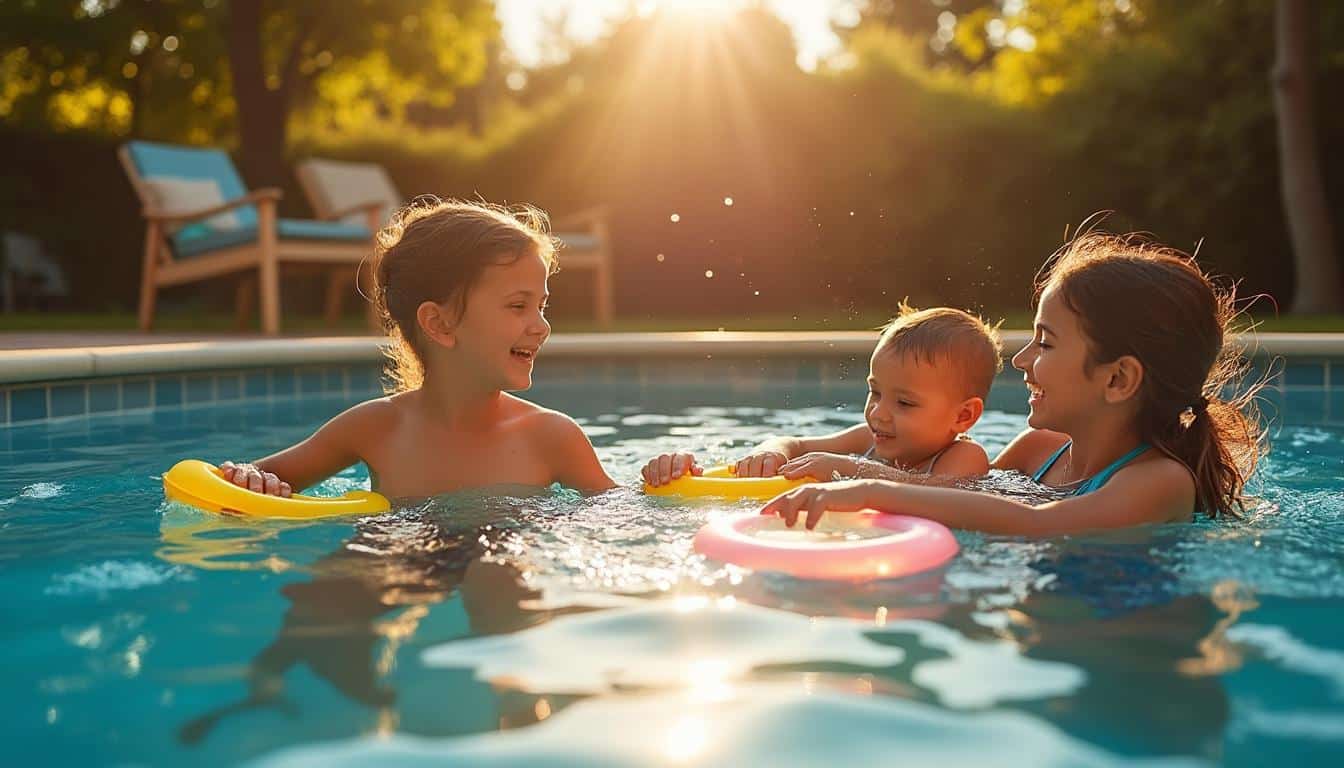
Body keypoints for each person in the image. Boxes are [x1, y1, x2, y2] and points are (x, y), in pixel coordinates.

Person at [762, 232, 1265, 534]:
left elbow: (1035, 525)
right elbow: (955, 497)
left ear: (1117, 379)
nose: (1021, 360)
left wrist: (869, 485)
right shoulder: (1037, 450)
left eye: (1045, 343)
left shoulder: (1159, 483)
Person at [221, 198, 616, 498]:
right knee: (328, 597)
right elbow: (241, 480)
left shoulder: (551, 437)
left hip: (499, 558)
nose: (542, 326)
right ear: (439, 324)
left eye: (541, 306)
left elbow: (622, 514)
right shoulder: (375, 427)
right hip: (397, 554)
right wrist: (250, 478)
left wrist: (667, 473)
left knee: (494, 579)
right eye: (518, 306)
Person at [642, 305, 1003, 486]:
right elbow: (794, 442)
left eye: (904, 402)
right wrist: (772, 452)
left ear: (963, 417)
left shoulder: (963, 457)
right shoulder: (870, 439)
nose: (878, 413)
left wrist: (853, 469)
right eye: (874, 392)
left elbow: (938, 496)